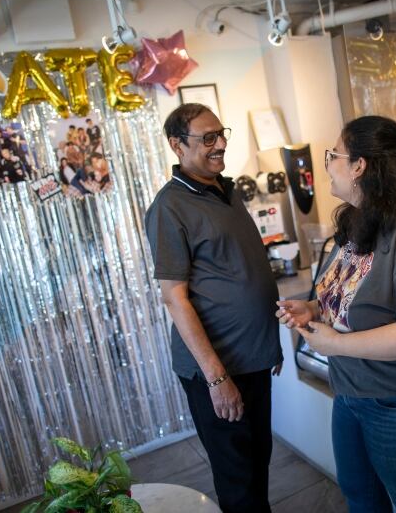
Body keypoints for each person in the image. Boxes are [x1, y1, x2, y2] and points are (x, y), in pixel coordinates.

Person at [277, 116, 396, 513]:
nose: (327, 164)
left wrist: (338, 344)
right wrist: (313, 307)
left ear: (359, 165)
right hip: (351, 392)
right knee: (361, 500)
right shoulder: (360, 219)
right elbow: (351, 293)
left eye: (333, 155)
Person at [145, 103, 282, 513]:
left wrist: (267, 345)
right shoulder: (169, 208)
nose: (220, 143)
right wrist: (217, 378)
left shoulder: (227, 189)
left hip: (252, 360)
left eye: (221, 133)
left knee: (258, 463)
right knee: (237, 477)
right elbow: (175, 297)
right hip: (219, 370)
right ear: (177, 145)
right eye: (207, 138)